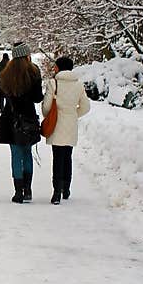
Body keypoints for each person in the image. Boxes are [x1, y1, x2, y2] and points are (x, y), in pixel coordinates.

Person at [0, 42, 44, 203]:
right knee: (27, 152)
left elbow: (2, 92)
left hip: (11, 118)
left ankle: (18, 192)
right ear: (27, 55)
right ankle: (28, 189)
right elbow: (37, 98)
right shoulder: (34, 72)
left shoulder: (6, 73)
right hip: (28, 118)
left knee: (15, 154)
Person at [42, 56, 91, 204]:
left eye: (55, 66)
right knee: (67, 156)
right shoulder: (78, 85)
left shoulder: (53, 83)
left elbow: (46, 107)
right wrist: (74, 114)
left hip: (57, 123)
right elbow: (86, 107)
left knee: (57, 157)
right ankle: (66, 189)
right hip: (71, 124)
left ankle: (56, 192)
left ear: (59, 67)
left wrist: (48, 115)